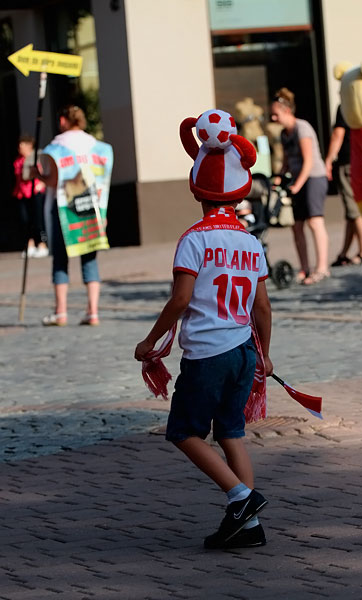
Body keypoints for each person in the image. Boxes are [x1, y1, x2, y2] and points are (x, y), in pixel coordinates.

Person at [135, 109, 273, 549]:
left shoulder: (194, 239)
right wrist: (264, 354)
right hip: (242, 351)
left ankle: (241, 498)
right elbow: (263, 307)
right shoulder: (251, 242)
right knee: (230, 432)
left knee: (183, 431)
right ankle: (247, 529)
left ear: (198, 189)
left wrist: (150, 340)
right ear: (238, 191)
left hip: (208, 354)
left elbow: (181, 299)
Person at [31, 105, 102, 326]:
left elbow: (54, 180)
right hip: (90, 205)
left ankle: (60, 311)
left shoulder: (57, 146)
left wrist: (38, 176)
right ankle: (93, 311)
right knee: (89, 258)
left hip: (63, 207)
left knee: (60, 259)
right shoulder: (95, 145)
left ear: (63, 120)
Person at [270, 88, 329, 285]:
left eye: (276, 114)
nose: (273, 117)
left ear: (286, 111)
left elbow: (309, 161)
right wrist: (279, 177)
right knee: (297, 226)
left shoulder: (302, 128)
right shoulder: (284, 134)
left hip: (313, 178)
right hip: (298, 180)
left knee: (314, 221)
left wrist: (297, 186)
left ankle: (322, 268)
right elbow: (287, 161)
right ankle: (304, 268)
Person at [325, 105, 362, 266]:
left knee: (353, 209)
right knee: (352, 212)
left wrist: (329, 160)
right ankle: (344, 252)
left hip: (347, 162)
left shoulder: (345, 105)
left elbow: (338, 133)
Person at [13, 135, 48, 258]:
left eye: (23, 144)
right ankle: (30, 244)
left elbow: (44, 173)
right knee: (25, 220)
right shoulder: (18, 161)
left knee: (38, 219)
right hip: (21, 193)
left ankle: (42, 244)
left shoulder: (35, 158)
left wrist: (41, 184)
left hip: (34, 192)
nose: (20, 147)